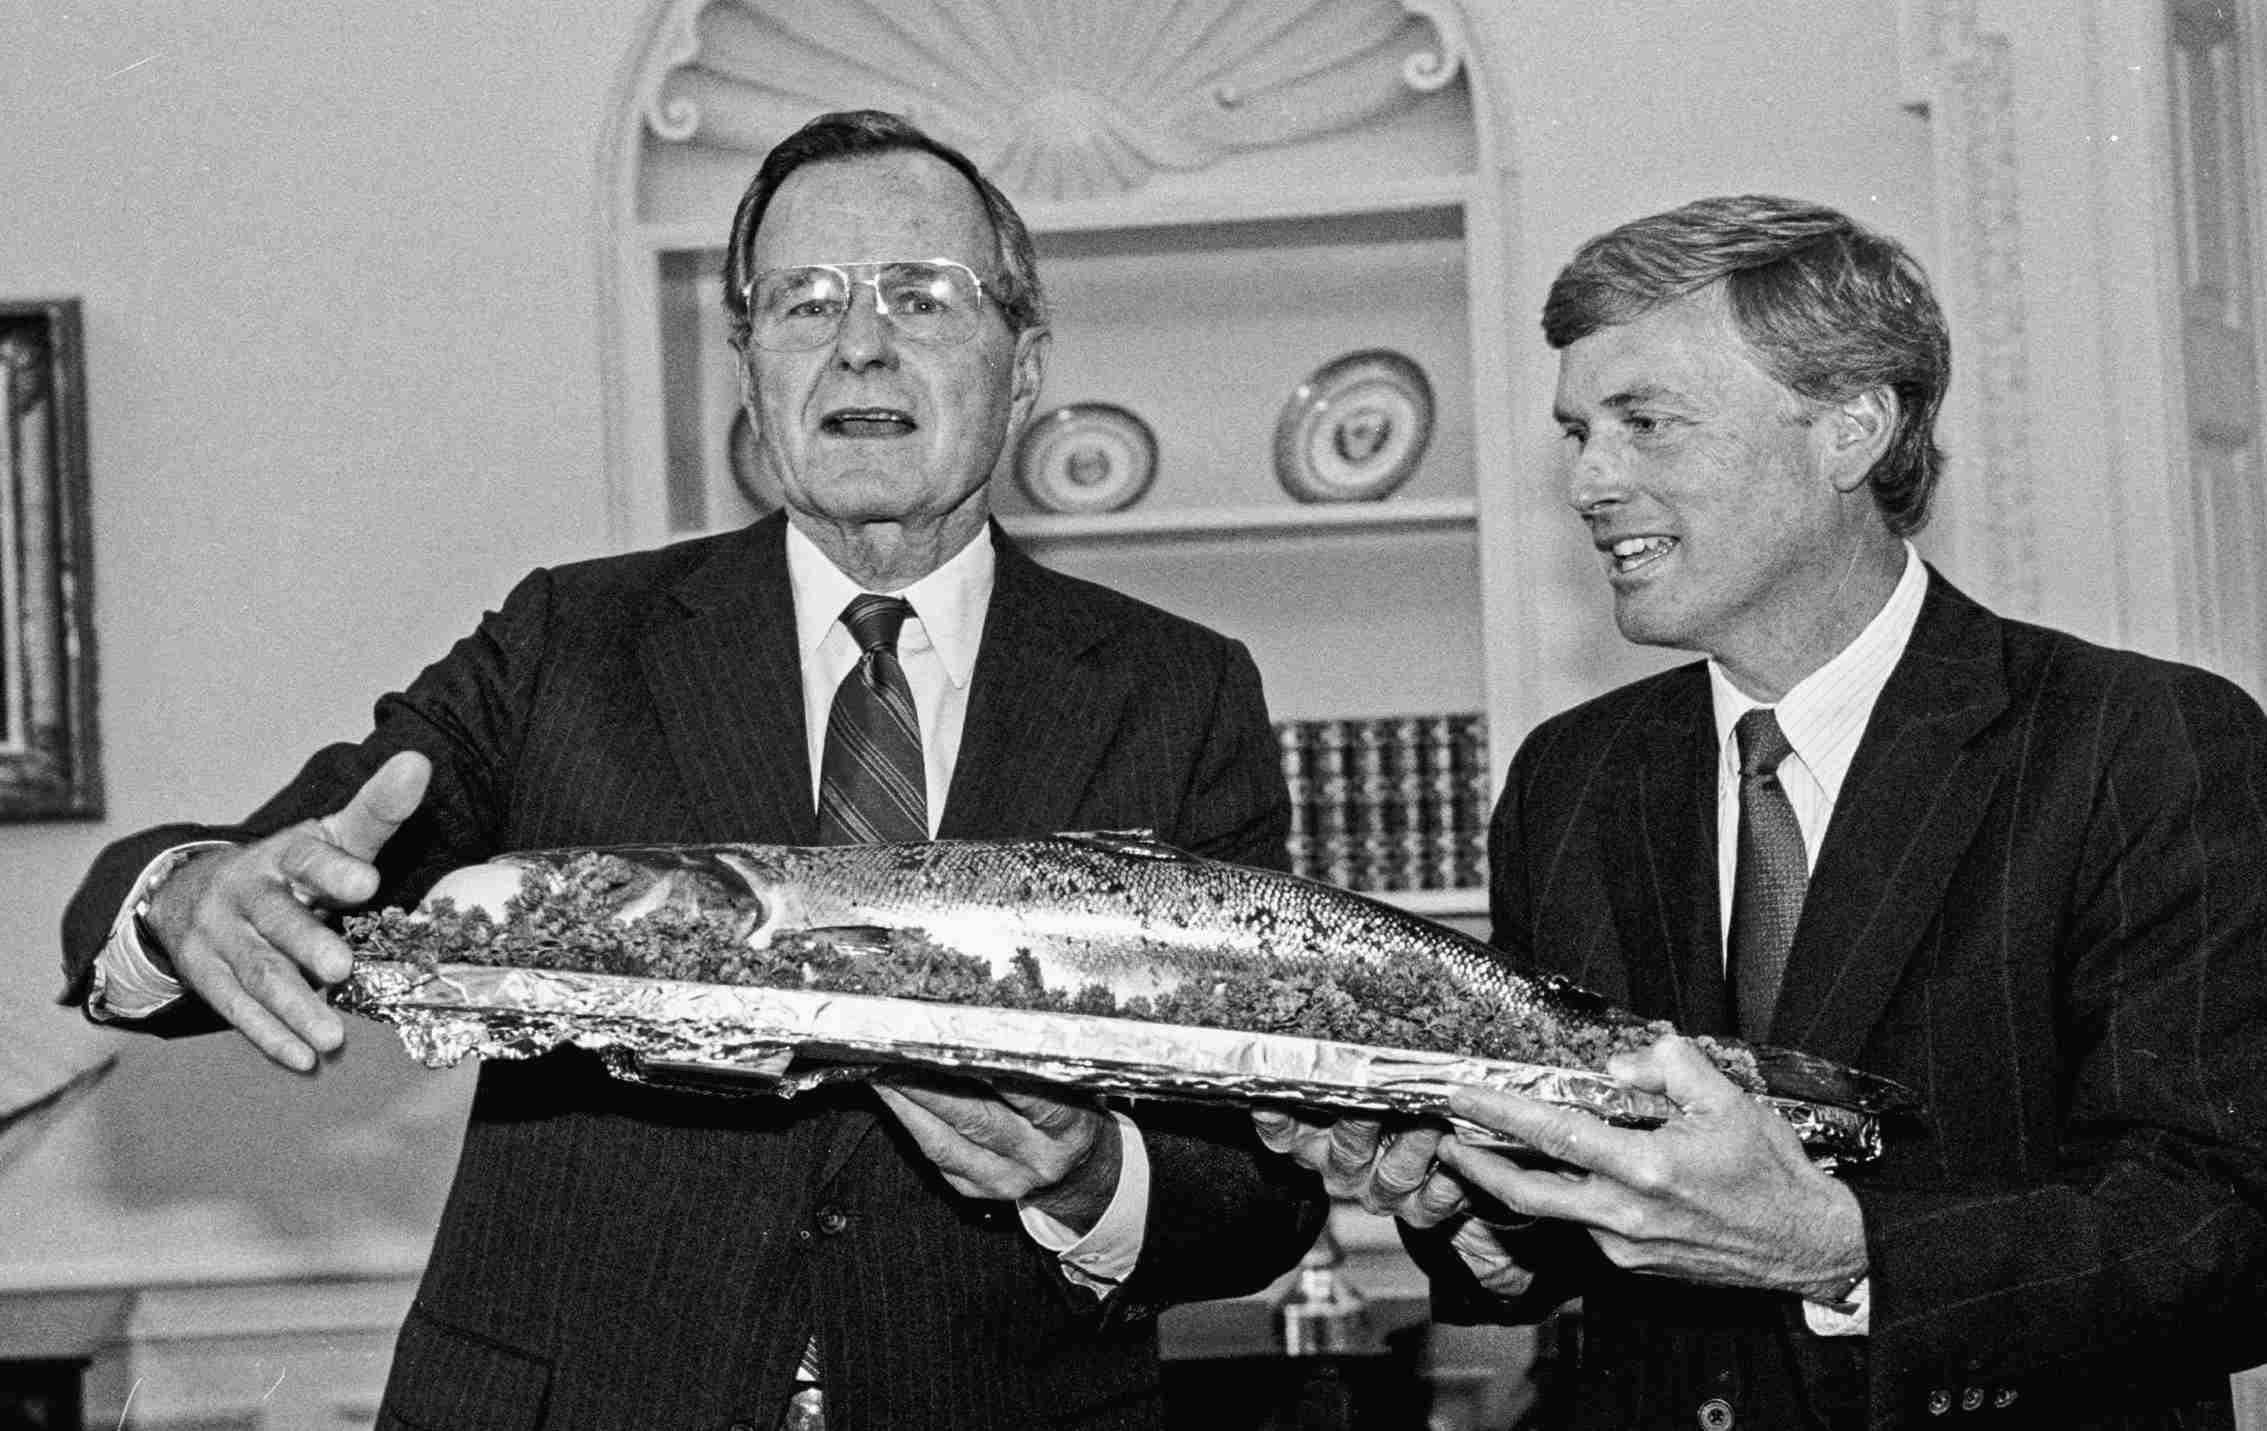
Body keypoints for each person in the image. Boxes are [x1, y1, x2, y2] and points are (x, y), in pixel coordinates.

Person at [59, 109, 1324, 1431]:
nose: (860, 341)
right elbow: (295, 859)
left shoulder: (1176, 692)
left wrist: (1089, 1173)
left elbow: (1259, 1176)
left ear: (1023, 366)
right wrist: (188, 895)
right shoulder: (569, 643)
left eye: (921, 297)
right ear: (747, 365)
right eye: (803, 302)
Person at [1258, 195, 2267, 1429]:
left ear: (1849, 431)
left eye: (1644, 424)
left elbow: (2243, 1230)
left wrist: (1839, 1250)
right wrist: (1455, 1199)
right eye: (1576, 433)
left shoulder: (2134, 742)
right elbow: (1560, 1242)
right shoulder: (1574, 779)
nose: (1588, 480)